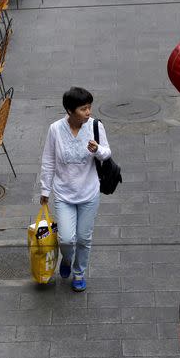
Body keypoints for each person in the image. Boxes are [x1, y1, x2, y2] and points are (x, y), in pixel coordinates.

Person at [39, 88, 111, 292]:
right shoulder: (55, 129)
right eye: (83, 108)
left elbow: (107, 153)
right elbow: (49, 160)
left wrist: (97, 150)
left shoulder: (95, 126)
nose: (88, 112)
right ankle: (67, 259)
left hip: (89, 192)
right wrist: (45, 190)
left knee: (83, 238)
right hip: (64, 194)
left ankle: (79, 272)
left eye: (89, 107)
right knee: (67, 239)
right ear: (70, 111)